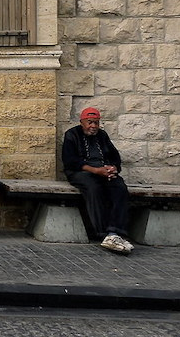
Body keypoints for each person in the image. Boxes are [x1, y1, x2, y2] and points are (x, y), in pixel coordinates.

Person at [62, 107, 134, 254]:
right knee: (94, 188)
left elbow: (115, 157)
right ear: (82, 122)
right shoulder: (72, 134)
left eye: (96, 123)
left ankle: (114, 232)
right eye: (89, 122)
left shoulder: (102, 136)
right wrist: (95, 170)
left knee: (120, 187)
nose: (93, 126)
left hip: (103, 171)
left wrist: (113, 168)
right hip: (81, 172)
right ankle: (102, 233)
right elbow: (70, 161)